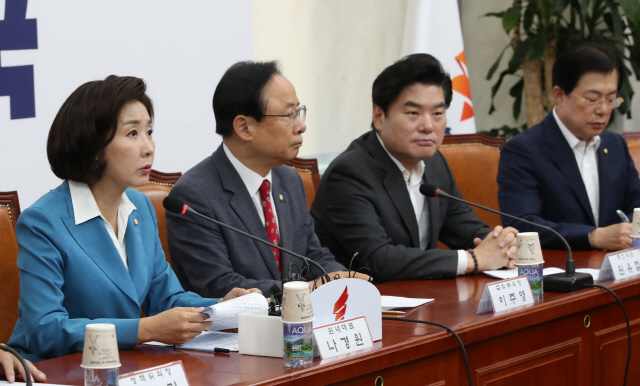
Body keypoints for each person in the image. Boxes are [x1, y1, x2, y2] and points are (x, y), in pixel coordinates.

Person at [7, 76, 259, 362]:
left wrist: (220, 307)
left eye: (149, 131)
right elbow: (46, 331)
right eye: (132, 134)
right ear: (92, 145)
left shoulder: (139, 207)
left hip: (119, 364)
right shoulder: (42, 222)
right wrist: (145, 329)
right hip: (53, 371)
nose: (149, 147)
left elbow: (167, 299)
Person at [166, 61, 370, 297]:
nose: (301, 126)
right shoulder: (194, 196)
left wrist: (341, 281)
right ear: (244, 128)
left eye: (299, 112)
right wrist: (304, 291)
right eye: (289, 115)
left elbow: (313, 256)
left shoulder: (289, 180)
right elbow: (218, 284)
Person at [310, 54, 517, 282]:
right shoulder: (349, 174)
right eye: (413, 113)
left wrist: (503, 244)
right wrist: (473, 260)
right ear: (379, 117)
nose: (428, 126)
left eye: (438, 113)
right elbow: (380, 260)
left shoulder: (435, 163)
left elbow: (465, 229)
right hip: (362, 306)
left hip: (420, 299)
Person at [497, 43, 640, 251]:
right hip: (560, 271)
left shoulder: (614, 144)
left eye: (611, 100)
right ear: (559, 95)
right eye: (592, 99)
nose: (602, 110)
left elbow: (636, 203)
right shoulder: (523, 150)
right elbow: (522, 224)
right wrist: (592, 236)